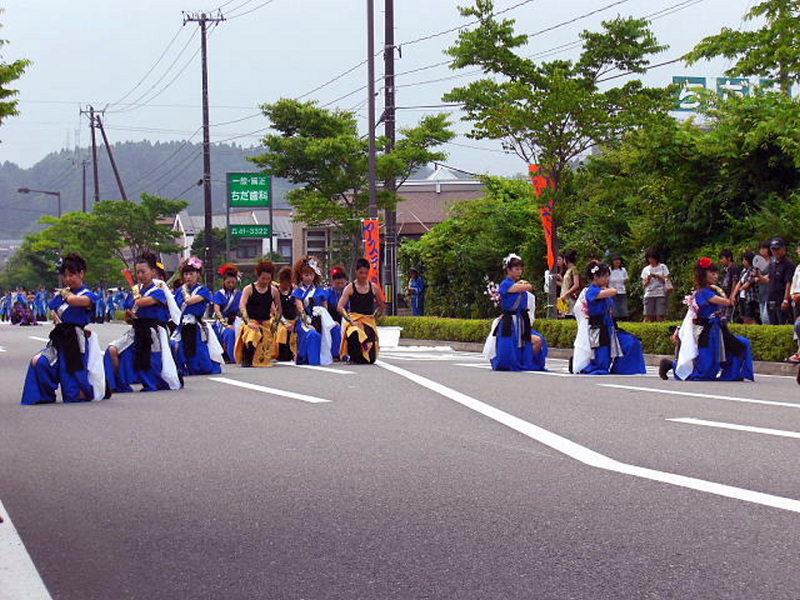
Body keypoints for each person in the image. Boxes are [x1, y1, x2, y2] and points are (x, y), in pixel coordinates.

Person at [21, 253, 105, 404]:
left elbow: (75, 301)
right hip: (60, 338)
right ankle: (43, 396)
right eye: (65, 276)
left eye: (72, 275)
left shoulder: (89, 295)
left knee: (73, 391)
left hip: (75, 341)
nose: (67, 279)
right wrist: (57, 318)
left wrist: (65, 293)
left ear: (81, 274)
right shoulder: (62, 295)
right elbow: (53, 308)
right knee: (39, 362)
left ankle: (85, 391)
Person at [661, 257, 754, 381]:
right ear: (703, 274)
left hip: (719, 329)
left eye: (716, 273)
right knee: (705, 372)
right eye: (712, 273)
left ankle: (733, 373)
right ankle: (671, 365)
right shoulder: (703, 292)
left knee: (742, 344)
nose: (716, 276)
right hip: (707, 333)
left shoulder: (711, 290)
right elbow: (726, 302)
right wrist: (734, 293)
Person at [104, 252, 182, 394]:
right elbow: (129, 311)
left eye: (143, 272)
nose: (140, 275)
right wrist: (129, 315)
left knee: (152, 358)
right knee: (113, 350)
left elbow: (142, 302)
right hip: (137, 329)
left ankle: (154, 382)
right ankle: (117, 384)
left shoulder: (159, 290)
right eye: (137, 272)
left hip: (153, 332)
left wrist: (133, 289)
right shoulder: (136, 290)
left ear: (153, 272)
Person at [572, 262, 646, 376]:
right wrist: (612, 289)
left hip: (610, 327)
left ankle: (624, 368)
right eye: (605, 276)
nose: (608, 279)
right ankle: (586, 365)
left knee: (632, 342)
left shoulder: (602, 289)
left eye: (608, 276)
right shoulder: (591, 290)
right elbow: (613, 292)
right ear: (596, 277)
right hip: (598, 328)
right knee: (602, 361)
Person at [483, 254, 548, 372]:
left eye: (520, 269)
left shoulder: (515, 284)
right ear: (509, 270)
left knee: (537, 340)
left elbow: (527, 287)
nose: (520, 271)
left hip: (521, 320)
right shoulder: (505, 284)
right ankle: (523, 362)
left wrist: (523, 284)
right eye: (516, 269)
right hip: (510, 321)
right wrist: (524, 284)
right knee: (513, 346)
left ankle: (528, 362)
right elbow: (528, 287)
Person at [172, 257, 224, 376]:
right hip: (182, 325)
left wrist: (184, 290)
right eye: (186, 274)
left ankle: (199, 367)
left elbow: (190, 301)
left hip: (196, 325)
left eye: (191, 273)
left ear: (198, 274)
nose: (188, 277)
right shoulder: (179, 291)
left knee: (198, 349)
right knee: (176, 345)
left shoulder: (203, 290)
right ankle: (183, 368)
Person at [337, 257, 387, 364]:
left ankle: (367, 354)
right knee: (354, 332)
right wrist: (349, 320)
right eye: (361, 273)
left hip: (368, 320)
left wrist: (377, 317)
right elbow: (340, 307)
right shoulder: (350, 288)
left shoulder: (373, 288)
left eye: (366, 273)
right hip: (354, 319)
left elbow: (382, 305)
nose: (363, 276)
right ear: (356, 272)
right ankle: (354, 356)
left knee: (371, 359)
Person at [236, 260, 282, 368]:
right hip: (251, 322)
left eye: (268, 279)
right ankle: (247, 357)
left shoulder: (274, 291)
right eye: (263, 278)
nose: (265, 281)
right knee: (253, 333)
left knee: (267, 341)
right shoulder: (249, 289)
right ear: (258, 276)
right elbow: (242, 306)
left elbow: (279, 309)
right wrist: (248, 322)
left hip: (266, 324)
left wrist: (275, 325)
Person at [292, 256, 337, 366]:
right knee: (312, 333)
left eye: (311, 274)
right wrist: (307, 320)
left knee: (335, 328)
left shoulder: (320, 291)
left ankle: (336, 355)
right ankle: (305, 357)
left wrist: (329, 320)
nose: (309, 277)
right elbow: (300, 308)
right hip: (305, 321)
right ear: (301, 275)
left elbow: (325, 308)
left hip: (320, 320)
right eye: (306, 274)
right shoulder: (298, 291)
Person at [758, 237, 796, 325]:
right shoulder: (772, 263)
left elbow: (789, 283)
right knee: (771, 324)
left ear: (783, 249)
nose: (775, 251)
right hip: (771, 298)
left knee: (782, 324)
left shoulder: (788, 264)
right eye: (773, 249)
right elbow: (769, 279)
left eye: (777, 249)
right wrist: (759, 276)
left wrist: (786, 300)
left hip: (782, 299)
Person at [212, 263, 243, 364]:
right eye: (228, 282)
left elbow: (242, 309)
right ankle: (232, 357)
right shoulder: (219, 294)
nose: (230, 284)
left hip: (235, 320)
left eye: (233, 282)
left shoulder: (239, 294)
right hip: (222, 321)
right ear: (224, 281)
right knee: (230, 333)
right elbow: (217, 311)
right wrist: (226, 325)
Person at [273, 266, 298, 362]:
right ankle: (281, 354)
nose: (287, 285)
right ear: (281, 280)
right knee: (282, 330)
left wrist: (295, 320)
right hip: (280, 319)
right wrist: (285, 323)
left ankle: (294, 353)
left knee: (296, 329)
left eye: (289, 282)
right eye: (285, 282)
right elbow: (276, 310)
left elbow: (298, 307)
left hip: (293, 319)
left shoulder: (295, 289)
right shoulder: (276, 291)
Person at [323, 266, 348, 361]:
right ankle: (336, 354)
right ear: (333, 282)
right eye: (337, 283)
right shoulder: (327, 293)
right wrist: (332, 321)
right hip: (331, 319)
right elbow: (324, 309)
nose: (340, 285)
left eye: (342, 283)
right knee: (336, 328)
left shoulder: (349, 291)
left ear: (346, 281)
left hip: (347, 318)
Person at [641, 249, 671, 322]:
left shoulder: (663, 267)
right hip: (649, 294)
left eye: (652, 258)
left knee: (660, 315)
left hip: (660, 293)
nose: (651, 260)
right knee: (648, 316)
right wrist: (648, 280)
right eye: (649, 258)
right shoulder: (646, 269)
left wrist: (658, 276)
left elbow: (667, 280)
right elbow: (643, 285)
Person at [731, 252, 760, 325]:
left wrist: (741, 289)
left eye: (744, 260)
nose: (743, 262)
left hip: (750, 298)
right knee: (744, 317)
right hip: (742, 297)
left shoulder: (754, 270)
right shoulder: (744, 271)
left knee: (750, 317)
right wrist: (734, 294)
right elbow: (739, 282)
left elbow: (748, 283)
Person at [786, 242, 800, 364]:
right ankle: (799, 352)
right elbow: (793, 283)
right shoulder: (798, 267)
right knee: (797, 327)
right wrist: (792, 295)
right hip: (796, 301)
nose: (798, 251)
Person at [752, 241, 771, 325]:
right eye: (761, 248)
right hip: (761, 292)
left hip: (770, 293)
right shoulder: (759, 262)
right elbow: (754, 276)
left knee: (767, 318)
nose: (761, 250)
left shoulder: (773, 261)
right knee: (763, 319)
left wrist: (759, 277)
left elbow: (768, 277)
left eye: (764, 248)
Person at [719, 249, 741, 320]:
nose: (721, 261)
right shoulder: (726, 269)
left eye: (722, 258)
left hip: (730, 295)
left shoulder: (734, 268)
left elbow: (734, 282)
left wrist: (732, 296)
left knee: (728, 316)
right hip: (725, 295)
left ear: (729, 258)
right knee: (722, 315)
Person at [558, 250, 580, 318]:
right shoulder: (568, 270)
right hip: (563, 297)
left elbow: (576, 285)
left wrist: (566, 294)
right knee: (563, 316)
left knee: (569, 316)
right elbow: (565, 284)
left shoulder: (574, 269)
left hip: (569, 298)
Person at [608, 255, 629, 320]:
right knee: (614, 308)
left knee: (622, 308)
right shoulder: (609, 270)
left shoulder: (623, 270)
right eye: (615, 260)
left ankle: (624, 320)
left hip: (622, 291)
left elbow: (626, 280)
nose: (617, 262)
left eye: (618, 260)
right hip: (612, 291)